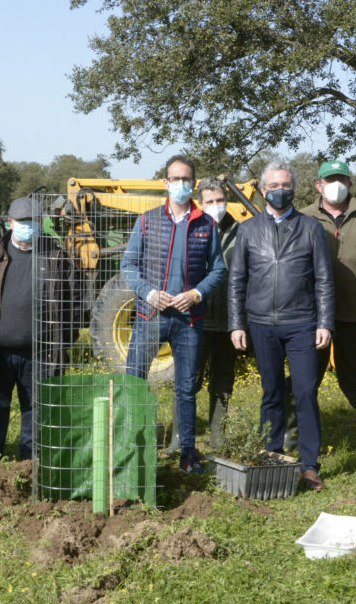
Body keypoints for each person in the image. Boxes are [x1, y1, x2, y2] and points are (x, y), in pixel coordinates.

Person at [229, 161, 334, 491]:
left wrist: (325, 322)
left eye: (286, 186)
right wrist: (237, 324)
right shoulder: (248, 230)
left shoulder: (311, 229)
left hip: (303, 323)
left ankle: (309, 465)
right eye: (274, 186)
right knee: (271, 393)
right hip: (261, 324)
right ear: (262, 190)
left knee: (305, 393)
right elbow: (236, 281)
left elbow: (324, 280)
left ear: (295, 189)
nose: (280, 191)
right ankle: (272, 456)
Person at [122, 156, 226, 474]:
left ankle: (188, 453)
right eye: (174, 178)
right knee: (135, 381)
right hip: (149, 317)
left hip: (188, 321)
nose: (180, 184)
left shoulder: (206, 224)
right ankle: (130, 447)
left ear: (193, 183)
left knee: (185, 388)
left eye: (186, 179)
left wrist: (196, 294)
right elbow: (128, 266)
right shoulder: (147, 220)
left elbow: (218, 269)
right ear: (165, 183)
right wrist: (149, 293)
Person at [0, 197, 72, 472]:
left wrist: (62, 343)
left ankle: (31, 465)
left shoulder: (57, 255)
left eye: (33, 222)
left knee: (36, 412)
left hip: (41, 352)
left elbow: (74, 304)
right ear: (10, 223)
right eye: (22, 222)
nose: (28, 227)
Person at [299, 160, 356, 464]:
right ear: (319, 185)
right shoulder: (304, 218)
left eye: (341, 179)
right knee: (305, 379)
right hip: (312, 318)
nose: (335, 184)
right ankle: (290, 442)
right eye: (329, 179)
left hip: (353, 314)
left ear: (350, 184)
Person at [196, 177, 241, 449]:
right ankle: (182, 438)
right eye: (210, 201)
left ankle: (217, 436)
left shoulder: (242, 231)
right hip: (196, 319)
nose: (216, 206)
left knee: (223, 378)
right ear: (200, 204)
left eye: (220, 200)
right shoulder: (192, 230)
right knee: (189, 379)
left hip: (228, 319)